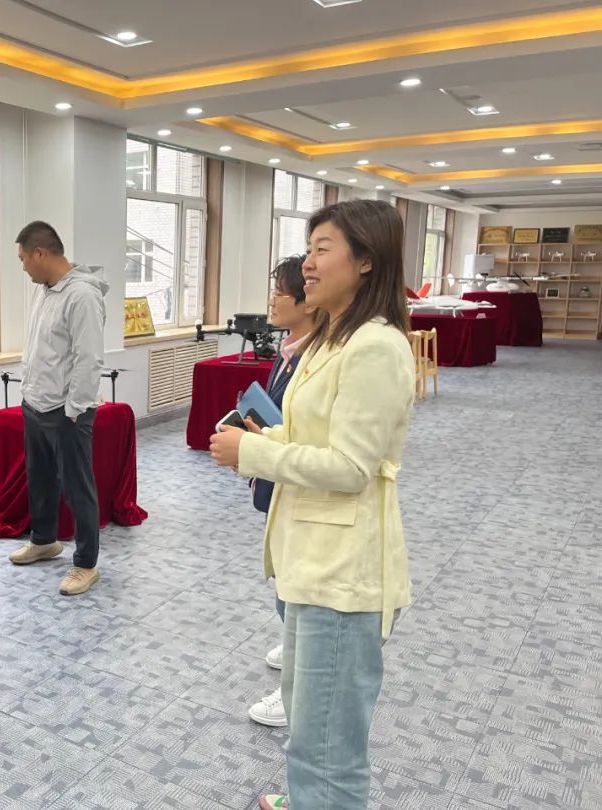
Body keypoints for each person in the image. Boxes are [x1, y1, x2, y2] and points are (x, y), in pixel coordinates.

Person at [210, 200, 414, 810]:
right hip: (310, 562)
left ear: (367, 261)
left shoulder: (375, 346)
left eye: (323, 249)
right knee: (308, 728)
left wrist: (254, 453)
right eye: (309, 249)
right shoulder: (330, 338)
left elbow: (351, 468)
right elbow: (312, 435)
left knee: (328, 746)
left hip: (342, 576)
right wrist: (264, 438)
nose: (308, 265)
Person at [6, 221, 108, 596]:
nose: (22, 267)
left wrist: (75, 407)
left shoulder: (81, 295)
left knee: (77, 487)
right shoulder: (45, 290)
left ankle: (86, 564)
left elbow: (88, 358)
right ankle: (44, 540)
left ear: (41, 253)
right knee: (41, 478)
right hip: (35, 402)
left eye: (23, 258)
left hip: (66, 411)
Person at [247, 255, 318, 730]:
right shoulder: (288, 348)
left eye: (280, 293)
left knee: (296, 578)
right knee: (283, 571)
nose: (271, 301)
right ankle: (291, 638)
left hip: (299, 482)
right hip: (278, 475)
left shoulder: (319, 358)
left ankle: (294, 687)